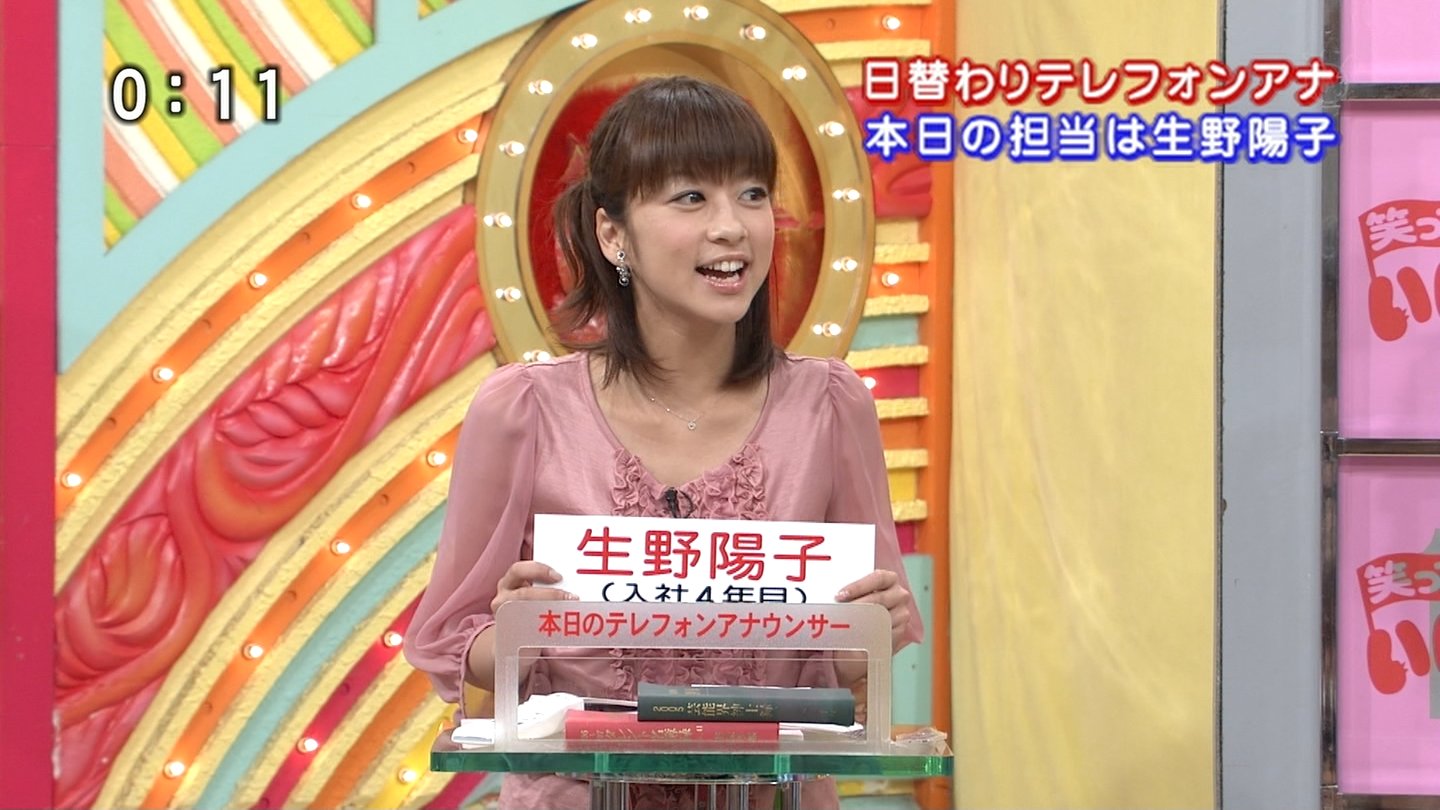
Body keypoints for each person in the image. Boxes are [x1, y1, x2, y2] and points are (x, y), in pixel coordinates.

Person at [405, 75, 924, 810]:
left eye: (752, 194)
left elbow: (843, 666)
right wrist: (519, 629)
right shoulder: (523, 410)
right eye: (691, 197)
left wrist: (868, 633)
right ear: (613, 234)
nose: (732, 226)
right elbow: (451, 643)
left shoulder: (831, 407)